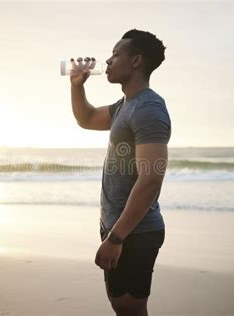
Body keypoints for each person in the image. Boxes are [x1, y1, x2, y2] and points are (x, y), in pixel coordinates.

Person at [69, 29, 171, 316]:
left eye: (116, 55)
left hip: (134, 232)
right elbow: (87, 118)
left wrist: (116, 238)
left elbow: (151, 178)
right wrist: (77, 85)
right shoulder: (124, 106)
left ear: (136, 61)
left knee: (129, 308)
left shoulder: (148, 108)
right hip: (118, 227)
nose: (108, 61)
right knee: (122, 306)